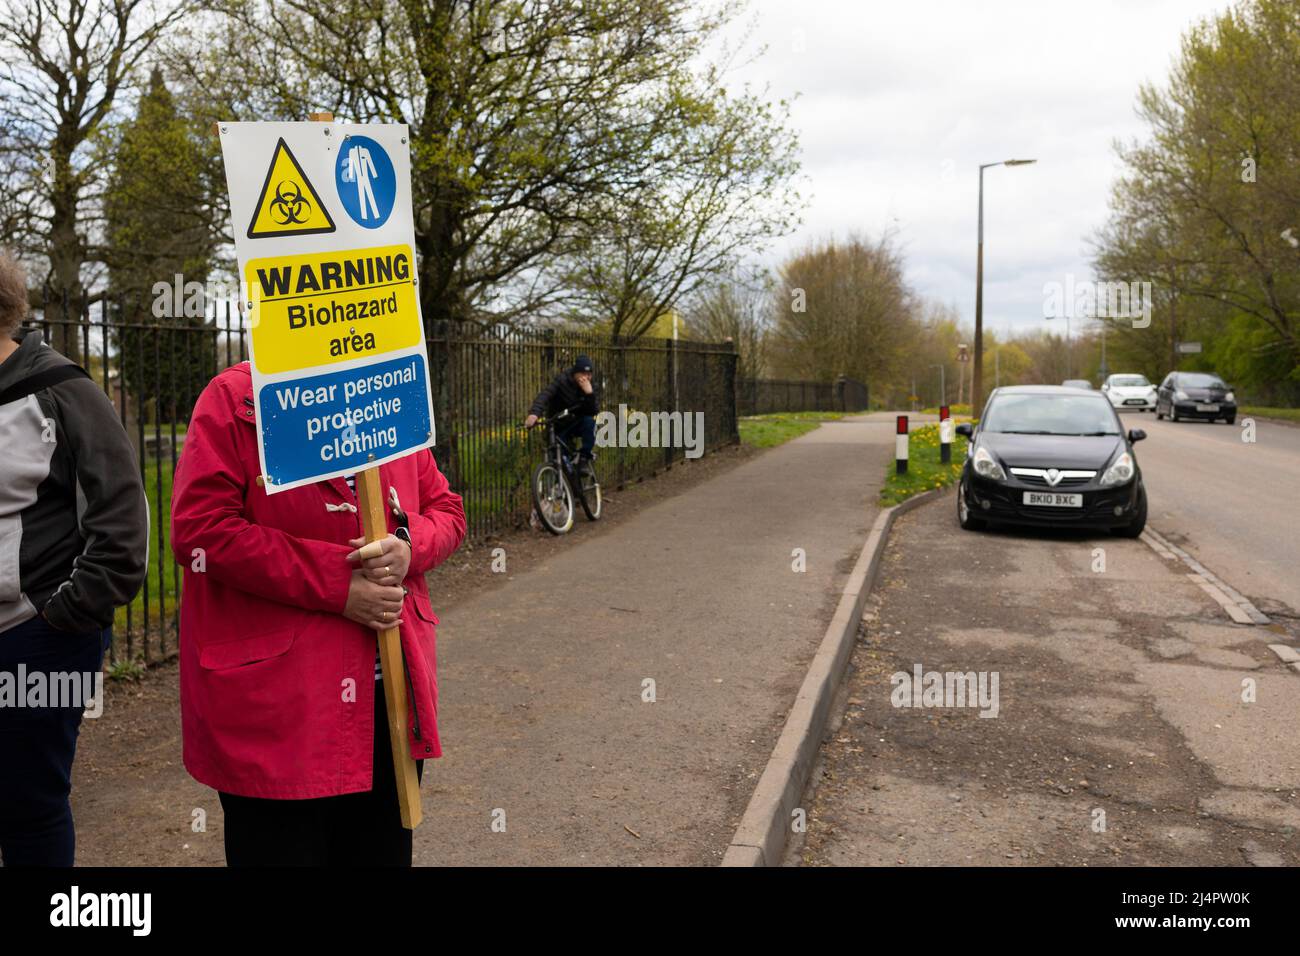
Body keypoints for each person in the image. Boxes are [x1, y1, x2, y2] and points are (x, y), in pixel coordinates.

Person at [170, 360, 465, 866]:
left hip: (387, 697)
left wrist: (408, 545)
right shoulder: (233, 398)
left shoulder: (388, 393)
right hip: (284, 712)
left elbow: (447, 511)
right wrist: (338, 583)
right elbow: (201, 530)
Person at [0, 251, 148, 866]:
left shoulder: (61, 388)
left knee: (28, 804)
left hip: (37, 634)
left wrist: (64, 616)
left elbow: (122, 519)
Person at [524, 354, 599, 473]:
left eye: (589, 374)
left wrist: (589, 394)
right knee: (560, 462)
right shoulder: (562, 380)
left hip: (577, 423)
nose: (586, 378)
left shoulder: (590, 385)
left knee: (590, 423)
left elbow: (594, 410)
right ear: (575, 373)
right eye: (583, 374)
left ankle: (584, 457)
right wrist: (534, 414)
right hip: (558, 425)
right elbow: (545, 395)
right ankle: (562, 484)